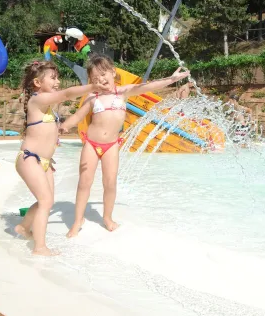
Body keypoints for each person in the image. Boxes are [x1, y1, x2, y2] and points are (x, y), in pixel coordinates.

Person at [60, 54, 189, 236]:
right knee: (84, 183)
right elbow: (77, 117)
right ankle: (77, 220)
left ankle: (107, 217)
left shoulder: (123, 92)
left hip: (111, 146)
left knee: (110, 183)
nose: (100, 79)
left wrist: (171, 79)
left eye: (103, 74)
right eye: (95, 78)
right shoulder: (92, 98)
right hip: (91, 144)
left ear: (113, 72)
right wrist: (64, 126)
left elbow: (146, 86)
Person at [14, 60, 110, 256]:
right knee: (46, 201)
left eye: (57, 78)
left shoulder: (47, 106)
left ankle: (23, 227)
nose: (57, 81)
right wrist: (92, 86)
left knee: (46, 201)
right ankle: (40, 247)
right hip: (29, 158)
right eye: (53, 78)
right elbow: (66, 94)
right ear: (37, 83)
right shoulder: (37, 100)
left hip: (45, 162)